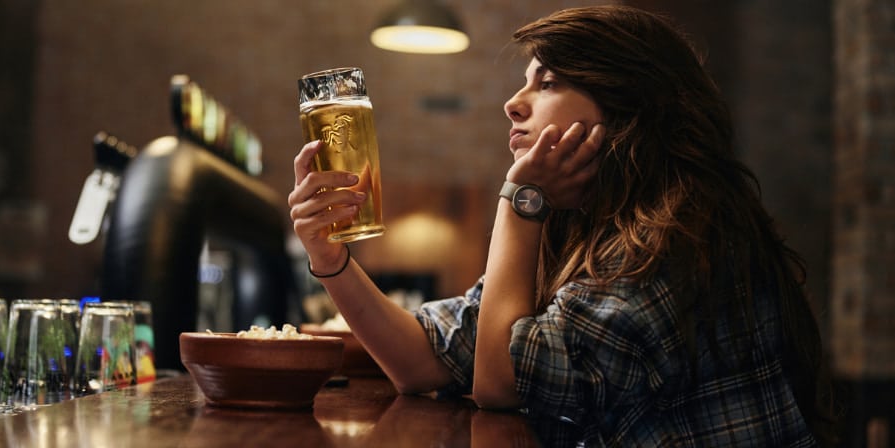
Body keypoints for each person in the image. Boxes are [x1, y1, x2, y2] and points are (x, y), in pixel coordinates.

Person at [288, 5, 838, 446]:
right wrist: (330, 259)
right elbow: (422, 361)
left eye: (546, 83)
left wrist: (517, 203)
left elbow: (498, 383)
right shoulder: (582, 224)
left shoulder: (678, 237)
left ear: (624, 107)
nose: (513, 104)